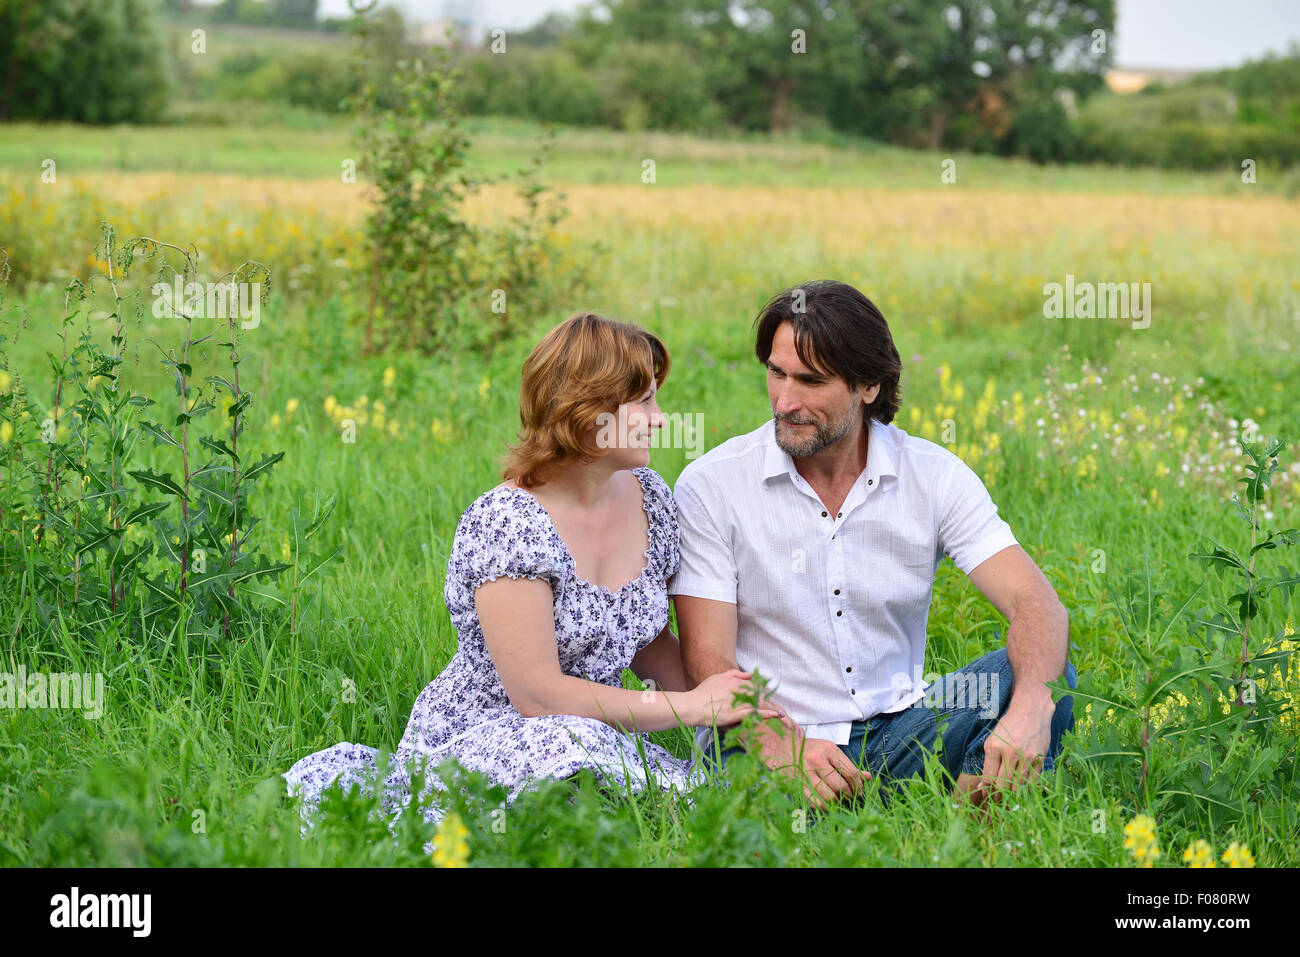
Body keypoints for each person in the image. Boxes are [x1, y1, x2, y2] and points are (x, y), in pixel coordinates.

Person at [282, 312, 782, 835]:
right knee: (570, 748)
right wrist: (689, 708)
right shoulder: (509, 524)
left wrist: (737, 712)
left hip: (591, 726)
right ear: (590, 411)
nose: (660, 418)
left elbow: (644, 641)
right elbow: (538, 697)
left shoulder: (648, 496)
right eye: (645, 402)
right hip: (502, 731)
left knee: (683, 788)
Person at [670, 280, 1077, 811]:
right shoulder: (712, 484)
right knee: (757, 810)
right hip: (760, 742)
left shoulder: (932, 475)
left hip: (901, 733)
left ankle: (970, 832)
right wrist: (782, 748)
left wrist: (1030, 709)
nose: (785, 401)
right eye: (776, 373)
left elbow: (1037, 606)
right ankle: (906, 815)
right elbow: (707, 656)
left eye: (811, 381)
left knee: (1041, 678)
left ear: (868, 386)